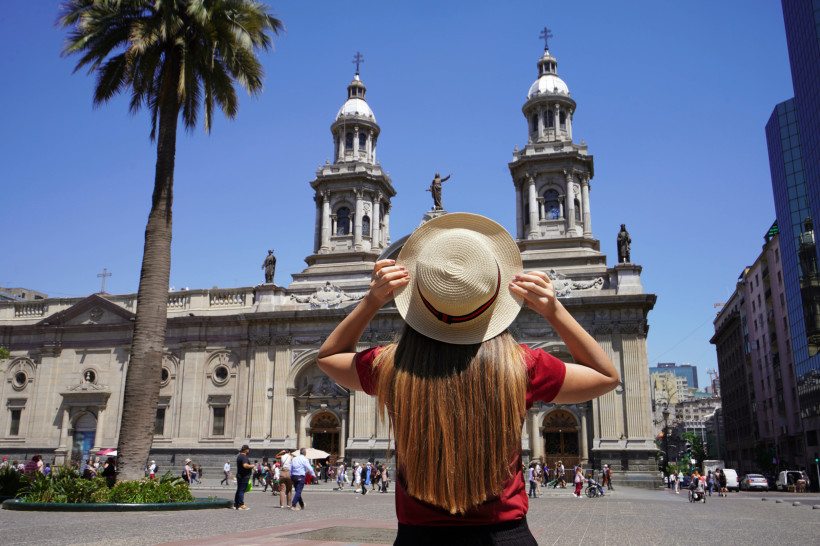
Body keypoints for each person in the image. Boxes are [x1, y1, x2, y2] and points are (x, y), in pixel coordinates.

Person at [316, 213, 619, 543]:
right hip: (504, 537)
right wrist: (554, 310)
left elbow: (329, 357)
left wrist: (372, 300)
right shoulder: (522, 366)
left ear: (416, 297)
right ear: (493, 296)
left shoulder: (391, 365)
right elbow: (605, 376)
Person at [234, 445, 253, 510]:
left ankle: (236, 504)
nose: (249, 451)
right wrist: (252, 466)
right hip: (244, 476)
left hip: (240, 475)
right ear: (246, 450)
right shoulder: (244, 457)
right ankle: (241, 505)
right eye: (248, 450)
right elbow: (245, 465)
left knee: (239, 490)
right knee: (242, 490)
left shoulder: (239, 456)